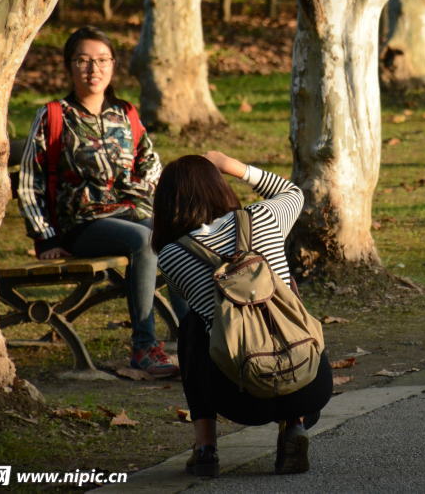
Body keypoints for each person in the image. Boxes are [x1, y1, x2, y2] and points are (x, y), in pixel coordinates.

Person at [151, 151, 332, 478]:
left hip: (242, 399)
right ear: (218, 186)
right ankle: (295, 424)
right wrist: (230, 164)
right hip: (310, 385)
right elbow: (294, 192)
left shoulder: (171, 256)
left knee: (194, 325)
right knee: (289, 307)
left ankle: (205, 447)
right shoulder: (262, 216)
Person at [17, 26, 178, 377]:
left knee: (177, 234)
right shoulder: (55, 116)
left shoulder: (125, 114)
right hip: (82, 224)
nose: (94, 69)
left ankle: (198, 335)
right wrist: (46, 238)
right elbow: (30, 180)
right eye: (84, 61)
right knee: (144, 241)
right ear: (69, 67)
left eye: (102, 60)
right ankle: (143, 348)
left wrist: (134, 194)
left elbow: (152, 167)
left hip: (131, 213)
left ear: (114, 65)